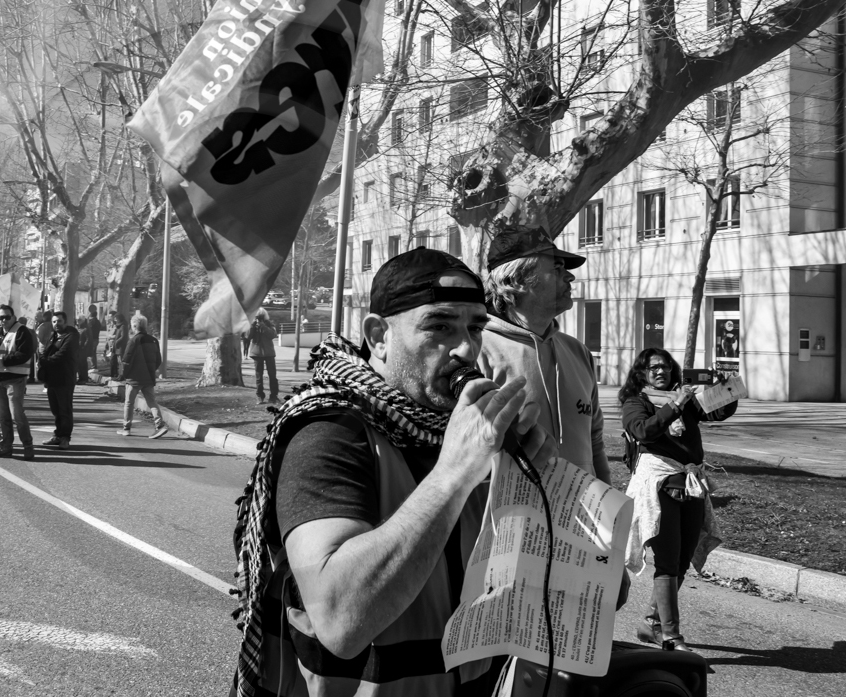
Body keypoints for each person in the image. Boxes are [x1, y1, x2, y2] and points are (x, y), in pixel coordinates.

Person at [230, 248, 550, 697]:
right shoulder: (329, 431)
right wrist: (454, 474)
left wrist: (534, 493)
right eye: (439, 326)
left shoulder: (462, 434)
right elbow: (340, 618)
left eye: (475, 328)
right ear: (379, 336)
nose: (465, 349)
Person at [621, 348, 736, 654]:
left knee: (683, 558)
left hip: (691, 484)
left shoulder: (685, 400)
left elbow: (717, 410)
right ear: (642, 373)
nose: (661, 372)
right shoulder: (637, 402)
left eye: (665, 368)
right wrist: (675, 405)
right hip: (658, 487)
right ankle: (671, 636)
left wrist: (727, 389)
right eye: (653, 368)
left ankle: (652, 623)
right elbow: (643, 430)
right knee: (668, 560)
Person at [477, 225, 611, 483]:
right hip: (509, 519)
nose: (570, 277)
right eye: (556, 269)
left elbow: (595, 442)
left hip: (584, 519)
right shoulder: (479, 350)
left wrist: (611, 510)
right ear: (516, 281)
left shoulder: (578, 352)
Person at [0, 305, 36, 459]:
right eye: (1, 317)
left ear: (13, 317)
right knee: (3, 416)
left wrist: (2, 361)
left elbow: (24, 354)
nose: (4, 320)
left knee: (16, 415)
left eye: (7, 317)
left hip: (15, 379)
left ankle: (28, 446)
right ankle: (6, 447)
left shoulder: (22, 331)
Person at [117, 314, 167, 439]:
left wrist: (124, 375)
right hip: (148, 377)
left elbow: (127, 360)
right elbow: (158, 360)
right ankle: (159, 425)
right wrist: (151, 370)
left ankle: (126, 428)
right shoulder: (153, 340)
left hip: (134, 378)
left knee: (129, 403)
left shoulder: (134, 340)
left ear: (134, 326)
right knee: (152, 402)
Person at [38, 310, 80, 450]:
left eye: (59, 321)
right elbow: (47, 352)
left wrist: (45, 361)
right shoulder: (54, 336)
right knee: (55, 410)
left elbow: (62, 355)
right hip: (52, 379)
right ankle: (58, 434)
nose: (56, 324)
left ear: (65, 322)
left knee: (64, 410)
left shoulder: (71, 336)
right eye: (54, 322)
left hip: (65, 379)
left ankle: (65, 438)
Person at [246, 308, 279, 405]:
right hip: (257, 353)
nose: (259, 319)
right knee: (258, 376)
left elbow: (272, 335)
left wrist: (263, 326)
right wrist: (252, 325)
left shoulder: (269, 324)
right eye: (257, 317)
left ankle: (273, 396)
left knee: (272, 375)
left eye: (260, 317)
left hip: (269, 353)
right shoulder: (252, 325)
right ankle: (259, 396)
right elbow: (248, 336)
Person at [105, 312, 127, 379]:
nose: (115, 320)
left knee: (120, 362)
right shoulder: (118, 326)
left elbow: (123, 337)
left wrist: (116, 342)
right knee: (117, 361)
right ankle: (118, 375)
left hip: (120, 347)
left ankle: (121, 375)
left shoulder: (123, 326)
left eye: (116, 318)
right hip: (116, 347)